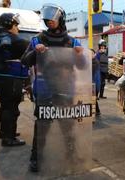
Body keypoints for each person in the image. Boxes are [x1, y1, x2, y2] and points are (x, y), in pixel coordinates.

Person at [21, 4, 83, 172]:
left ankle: (71, 155)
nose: (49, 21)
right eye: (47, 19)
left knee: (67, 125)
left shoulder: (72, 41)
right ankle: (36, 158)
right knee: (41, 126)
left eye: (52, 18)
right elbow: (25, 60)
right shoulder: (38, 39)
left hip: (65, 89)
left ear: (61, 19)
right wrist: (35, 52)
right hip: (45, 89)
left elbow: (84, 66)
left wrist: (81, 54)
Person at [0, 13, 28, 146]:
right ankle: (9, 138)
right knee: (12, 108)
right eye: (16, 25)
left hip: (2, 76)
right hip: (10, 77)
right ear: (8, 25)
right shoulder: (7, 37)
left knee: (5, 106)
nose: (17, 28)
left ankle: (4, 132)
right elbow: (24, 44)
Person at [91, 49, 101, 116]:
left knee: (93, 98)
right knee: (93, 98)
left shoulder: (95, 62)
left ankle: (95, 112)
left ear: (94, 54)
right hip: (94, 83)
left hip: (95, 84)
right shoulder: (91, 61)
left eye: (92, 53)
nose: (90, 55)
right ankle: (97, 111)